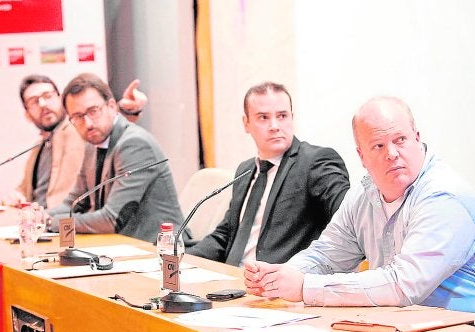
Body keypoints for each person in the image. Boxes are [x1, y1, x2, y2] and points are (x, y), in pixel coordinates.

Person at [244, 96, 475, 312]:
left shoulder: (443, 197)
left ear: (417, 137)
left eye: (400, 140)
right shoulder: (363, 195)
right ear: (361, 156)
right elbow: (326, 256)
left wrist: (304, 286)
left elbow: (402, 286)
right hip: (402, 328)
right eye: (378, 146)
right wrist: (280, 277)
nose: (392, 153)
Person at [187, 81, 350, 266]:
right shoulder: (245, 170)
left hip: (277, 285)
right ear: (246, 123)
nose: (274, 126)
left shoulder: (316, 162)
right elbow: (225, 236)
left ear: (292, 118)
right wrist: (180, 260)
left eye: (282, 116)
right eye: (263, 117)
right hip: (231, 281)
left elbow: (348, 222)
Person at [46, 73, 185, 242]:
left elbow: (111, 220)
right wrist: (39, 217)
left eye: (93, 111)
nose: (88, 123)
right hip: (119, 246)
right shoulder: (92, 145)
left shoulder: (134, 144)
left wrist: (52, 223)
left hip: (159, 249)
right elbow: (74, 203)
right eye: (78, 116)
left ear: (111, 106)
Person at [5, 74, 147, 209]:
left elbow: (106, 123)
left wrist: (126, 109)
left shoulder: (77, 127)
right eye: (34, 101)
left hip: (67, 221)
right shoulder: (38, 148)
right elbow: (25, 190)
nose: (43, 104)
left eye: (48, 96)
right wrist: (17, 196)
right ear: (27, 114)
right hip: (40, 224)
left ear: (60, 99)